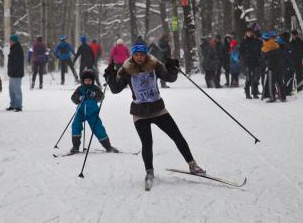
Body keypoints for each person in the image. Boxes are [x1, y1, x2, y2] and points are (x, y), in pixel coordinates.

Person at [104, 41, 205, 186]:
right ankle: (149, 171)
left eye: (142, 54)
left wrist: (172, 67)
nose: (139, 57)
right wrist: (111, 76)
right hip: (140, 113)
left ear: (146, 54)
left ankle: (192, 165)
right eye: (136, 55)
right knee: (147, 143)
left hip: (158, 109)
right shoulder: (127, 70)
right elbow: (115, 90)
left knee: (177, 136)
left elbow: (170, 78)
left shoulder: (154, 65)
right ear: (132, 55)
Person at [70, 69, 119, 153]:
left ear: (92, 81)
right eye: (86, 80)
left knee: (98, 129)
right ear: (83, 80)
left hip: (92, 113)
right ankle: (75, 147)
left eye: (89, 80)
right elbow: (73, 98)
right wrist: (79, 98)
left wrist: (94, 94)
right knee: (75, 126)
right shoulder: (80, 89)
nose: (88, 82)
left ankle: (108, 147)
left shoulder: (95, 88)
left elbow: (101, 97)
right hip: (80, 112)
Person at [261, 32, 286, 103]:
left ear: (265, 39)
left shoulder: (265, 47)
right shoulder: (276, 44)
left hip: (271, 67)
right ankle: (283, 97)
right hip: (279, 66)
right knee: (280, 81)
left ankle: (272, 97)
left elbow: (264, 58)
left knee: (271, 83)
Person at [240, 28, 262, 99]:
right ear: (246, 33)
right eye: (248, 32)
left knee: (256, 78)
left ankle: (255, 93)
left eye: (250, 32)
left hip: (256, 62)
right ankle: (247, 93)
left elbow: (260, 50)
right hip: (248, 63)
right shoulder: (243, 41)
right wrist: (244, 58)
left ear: (253, 33)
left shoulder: (256, 41)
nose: (249, 33)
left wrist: (259, 58)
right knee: (248, 78)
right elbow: (241, 52)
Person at [7, 34, 24, 112]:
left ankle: (18, 106)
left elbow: (17, 62)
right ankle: (13, 104)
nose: (9, 42)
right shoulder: (13, 48)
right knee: (11, 89)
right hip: (12, 73)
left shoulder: (17, 49)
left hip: (16, 73)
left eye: (10, 40)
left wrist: (13, 70)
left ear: (14, 41)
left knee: (17, 90)